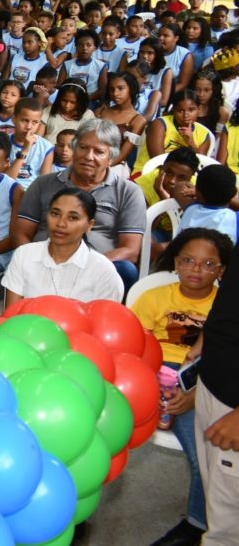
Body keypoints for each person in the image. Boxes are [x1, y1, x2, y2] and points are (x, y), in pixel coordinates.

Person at [131, 228, 232, 546]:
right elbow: (134, 345)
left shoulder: (225, 305)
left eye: (208, 264)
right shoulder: (154, 297)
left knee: (203, 456)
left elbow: (221, 363)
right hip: (155, 370)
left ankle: (198, 522)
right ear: (175, 262)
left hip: (200, 379)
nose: (196, 269)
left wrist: (189, 392)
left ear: (223, 270)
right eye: (187, 260)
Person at [12, 119, 147, 291]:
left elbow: (130, 249)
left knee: (126, 270)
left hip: (98, 270)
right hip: (44, 264)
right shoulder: (43, 184)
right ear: (74, 149)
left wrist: (84, 267)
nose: (88, 156)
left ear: (111, 158)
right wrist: (39, 262)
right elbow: (21, 233)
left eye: (99, 152)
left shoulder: (128, 191)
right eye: (83, 148)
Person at [2, 188, 124, 305]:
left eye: (73, 218)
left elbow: (103, 323)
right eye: (55, 214)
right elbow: (12, 315)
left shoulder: (103, 270)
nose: (60, 223)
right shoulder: (24, 255)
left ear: (89, 225)